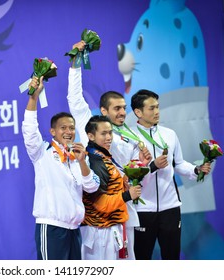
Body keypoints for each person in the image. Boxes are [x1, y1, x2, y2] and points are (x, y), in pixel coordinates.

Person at [67, 40, 151, 259]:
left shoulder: (132, 136)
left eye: (124, 108)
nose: (123, 113)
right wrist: (76, 63)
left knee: (127, 261)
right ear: (104, 110)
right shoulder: (90, 124)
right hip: (98, 215)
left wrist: (143, 165)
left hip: (123, 210)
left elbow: (135, 176)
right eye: (117, 109)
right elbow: (75, 99)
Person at [22, 76, 100, 260]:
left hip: (74, 230)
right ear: (53, 132)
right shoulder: (42, 152)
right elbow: (29, 130)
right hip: (51, 228)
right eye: (63, 128)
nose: (68, 132)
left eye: (72, 128)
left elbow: (92, 186)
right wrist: (33, 97)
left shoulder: (78, 155)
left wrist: (82, 162)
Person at [130, 89, 212, 260]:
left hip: (170, 208)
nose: (157, 112)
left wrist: (196, 170)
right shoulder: (128, 138)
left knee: (172, 258)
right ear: (138, 112)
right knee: (140, 259)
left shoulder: (169, 134)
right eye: (151, 108)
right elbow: (127, 174)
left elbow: (179, 163)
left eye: (158, 107)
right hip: (142, 209)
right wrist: (152, 166)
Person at [81, 115, 142, 260]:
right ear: (91, 136)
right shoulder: (96, 161)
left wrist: (124, 184)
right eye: (103, 133)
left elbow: (110, 188)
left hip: (109, 228)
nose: (109, 137)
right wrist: (127, 195)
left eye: (110, 132)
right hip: (101, 232)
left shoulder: (103, 156)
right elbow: (100, 203)